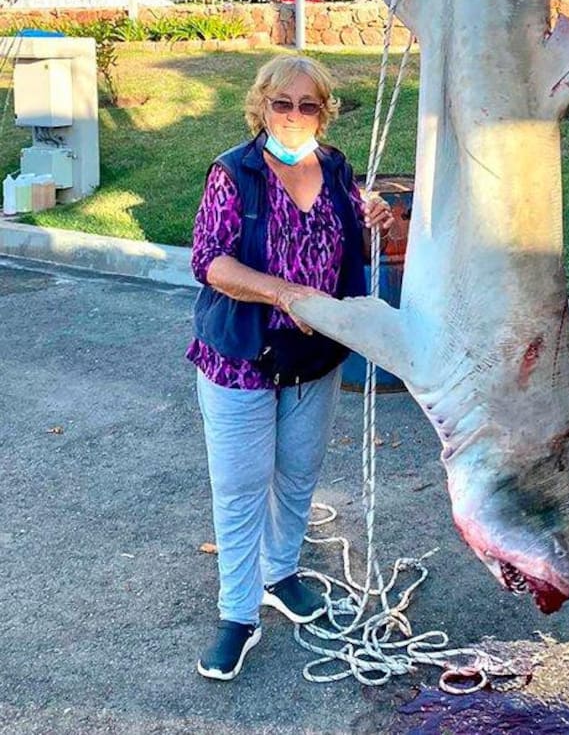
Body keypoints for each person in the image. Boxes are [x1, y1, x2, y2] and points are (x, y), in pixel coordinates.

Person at [189, 54, 394, 682]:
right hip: (242, 358)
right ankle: (237, 614)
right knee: (243, 488)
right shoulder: (235, 172)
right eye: (284, 103)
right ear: (262, 106)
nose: (296, 116)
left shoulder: (333, 168)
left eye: (310, 105)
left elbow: (353, 237)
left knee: (299, 474)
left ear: (324, 112)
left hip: (313, 358)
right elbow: (210, 263)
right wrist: (283, 293)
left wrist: (380, 216)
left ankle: (280, 575)